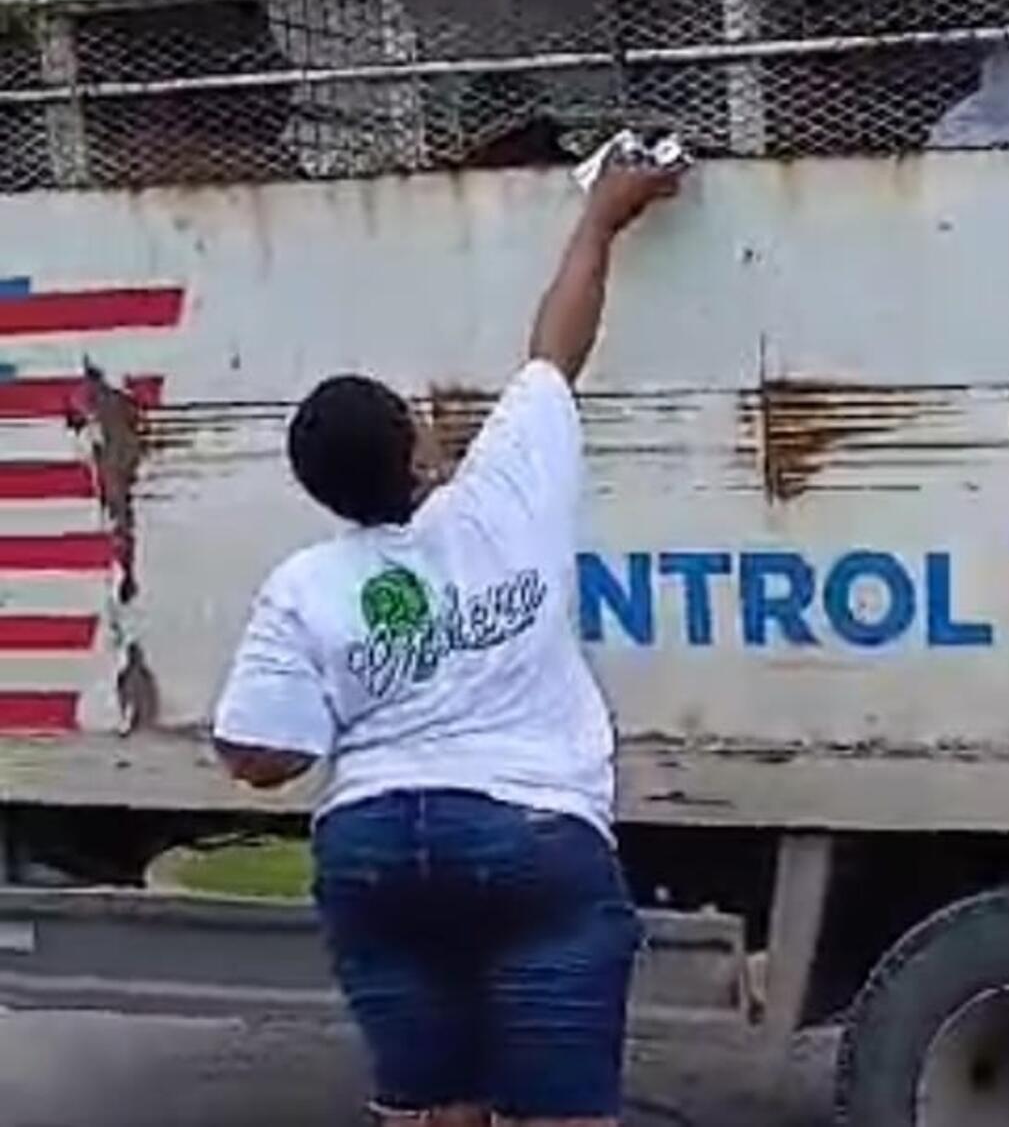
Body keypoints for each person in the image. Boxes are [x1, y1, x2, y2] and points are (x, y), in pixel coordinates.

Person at [212, 158, 685, 1127]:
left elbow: (259, 756)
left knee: (429, 1111)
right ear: (422, 452)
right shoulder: (505, 496)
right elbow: (555, 350)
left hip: (374, 851)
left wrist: (352, 701)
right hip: (533, 836)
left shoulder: (303, 586)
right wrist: (601, 218)